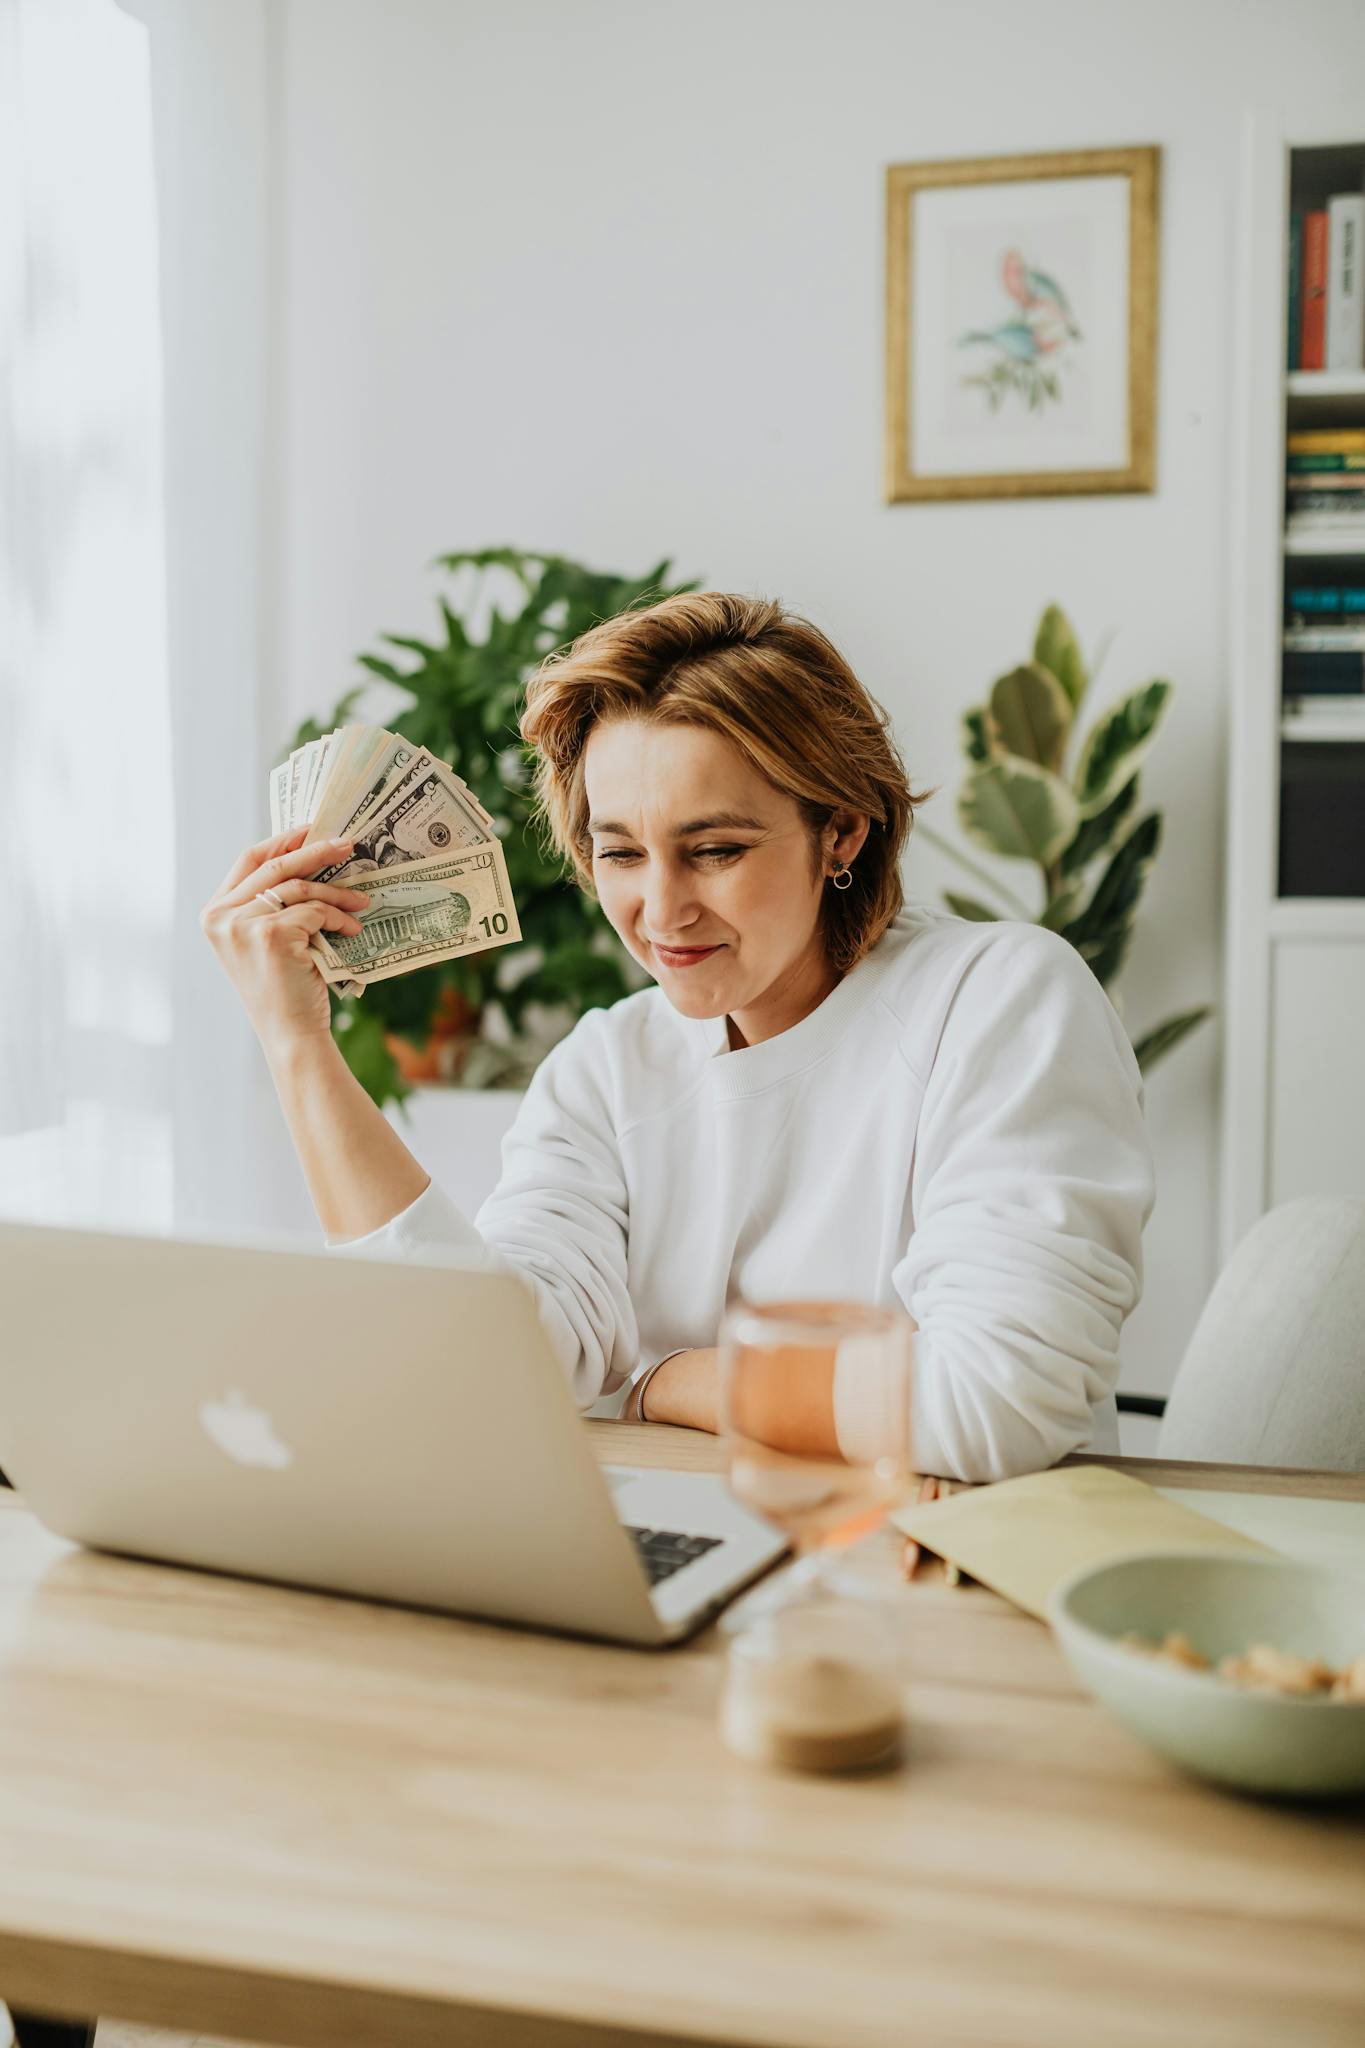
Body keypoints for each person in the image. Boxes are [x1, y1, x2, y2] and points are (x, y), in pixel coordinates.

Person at [203, 592, 1155, 1481]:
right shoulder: (606, 1069)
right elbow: (477, 1366)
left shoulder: (998, 1000)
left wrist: (664, 1383)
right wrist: (297, 1044)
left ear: (843, 836)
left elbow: (993, 1404)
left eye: (715, 851)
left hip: (939, 1572)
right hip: (695, 1542)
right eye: (620, 852)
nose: (661, 912)